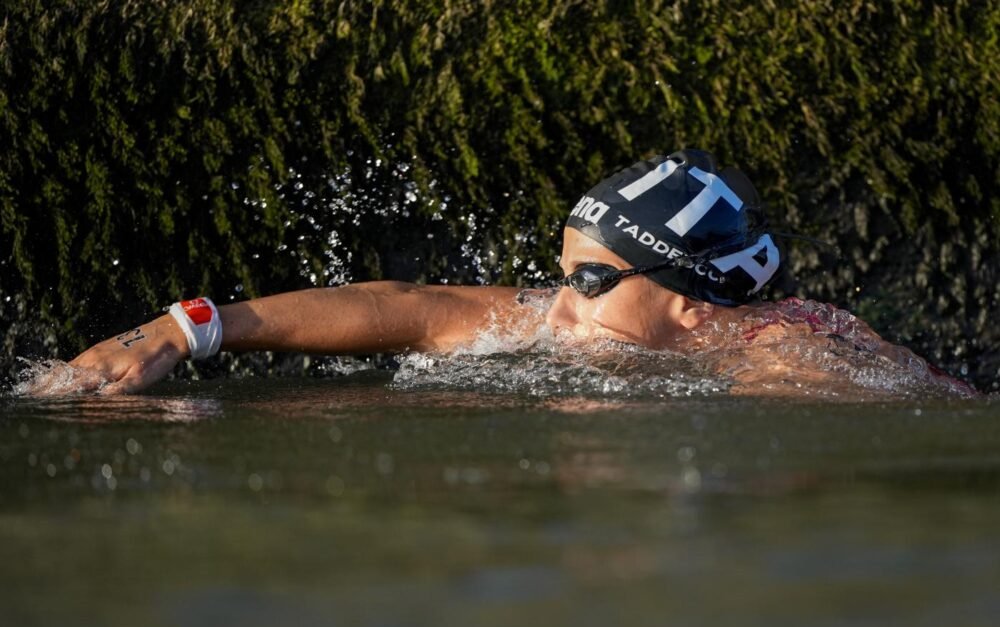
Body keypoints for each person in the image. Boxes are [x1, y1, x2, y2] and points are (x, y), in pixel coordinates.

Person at [40, 150, 972, 397]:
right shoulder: (583, 319)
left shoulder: (793, 367)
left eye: (593, 282)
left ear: (691, 306)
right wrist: (184, 328)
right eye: (563, 273)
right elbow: (415, 307)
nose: (558, 304)